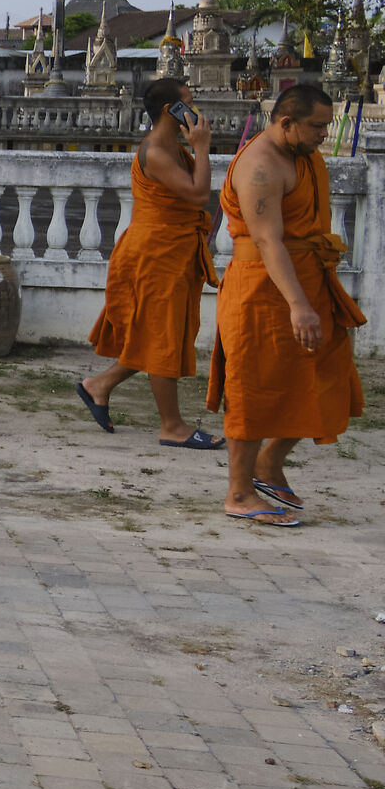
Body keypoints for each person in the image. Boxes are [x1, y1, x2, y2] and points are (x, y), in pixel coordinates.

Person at [205, 85, 366, 526]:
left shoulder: (304, 155)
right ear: (286, 123)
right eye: (316, 126)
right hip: (262, 291)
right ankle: (238, 494)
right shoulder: (260, 166)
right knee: (254, 388)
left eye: (326, 125)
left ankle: (269, 462)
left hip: (308, 279)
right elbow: (266, 240)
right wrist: (299, 305)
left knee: (328, 373)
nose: (323, 134)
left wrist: (308, 299)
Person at [77, 78, 219, 448]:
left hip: (171, 248)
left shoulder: (173, 146)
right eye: (190, 102)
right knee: (162, 337)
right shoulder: (157, 150)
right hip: (155, 253)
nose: (197, 109)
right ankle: (171, 426)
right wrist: (202, 148)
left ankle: (99, 386)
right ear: (171, 110)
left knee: (156, 333)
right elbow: (200, 193)